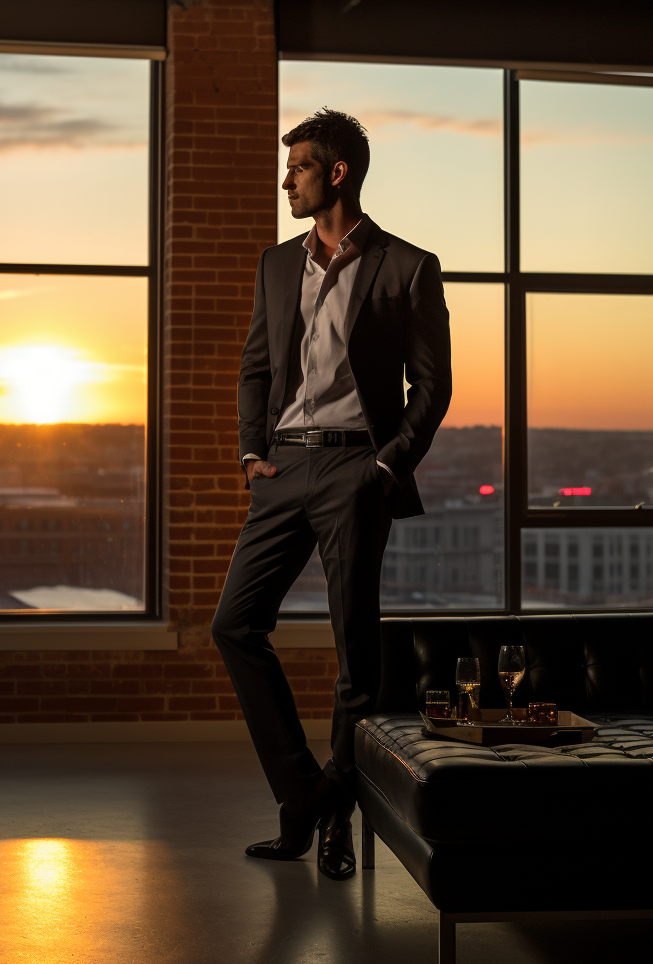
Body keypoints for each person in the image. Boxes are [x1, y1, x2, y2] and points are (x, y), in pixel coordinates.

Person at [211, 108, 451, 880]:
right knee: (234, 625)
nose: (288, 180)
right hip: (282, 470)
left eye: (300, 167)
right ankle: (306, 795)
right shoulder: (277, 265)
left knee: (356, 659)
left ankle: (335, 822)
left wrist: (387, 467)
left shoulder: (408, 266)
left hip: (356, 470)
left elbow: (433, 384)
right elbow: (255, 366)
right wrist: (253, 451)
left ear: (337, 173)